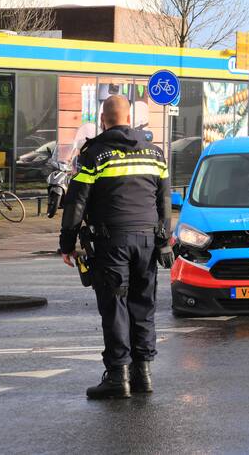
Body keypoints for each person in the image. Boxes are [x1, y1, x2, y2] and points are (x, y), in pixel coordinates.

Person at [58, 95, 174, 399]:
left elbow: (77, 201)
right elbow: (164, 201)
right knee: (143, 306)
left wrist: (67, 243)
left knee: (115, 307)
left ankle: (117, 377)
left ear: (103, 120)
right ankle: (143, 374)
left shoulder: (95, 154)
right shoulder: (154, 154)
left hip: (111, 243)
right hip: (147, 242)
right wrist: (164, 241)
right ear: (130, 119)